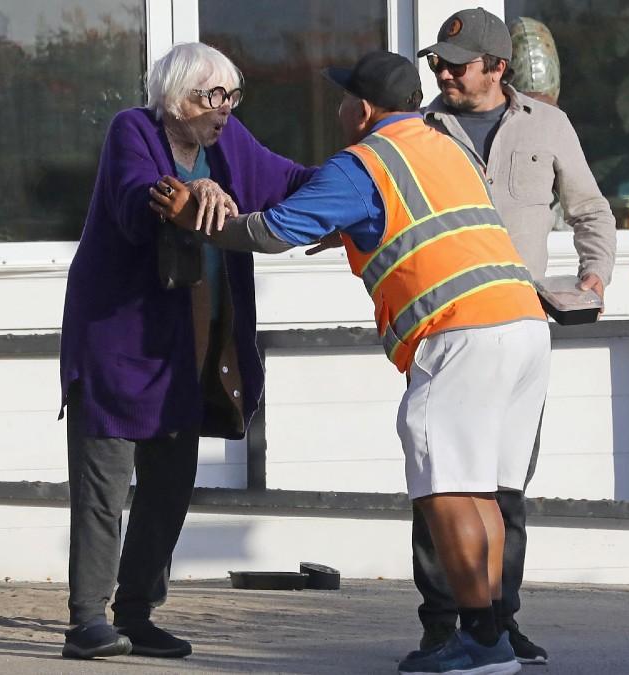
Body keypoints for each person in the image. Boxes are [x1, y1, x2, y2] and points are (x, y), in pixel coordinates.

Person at [152, 49, 548, 675]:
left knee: (447, 488)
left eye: (342, 99)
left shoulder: (365, 161)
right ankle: (493, 632)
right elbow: (420, 220)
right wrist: (352, 228)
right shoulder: (444, 147)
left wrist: (195, 222)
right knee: (483, 491)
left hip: (460, 331)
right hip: (522, 322)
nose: (338, 109)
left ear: (362, 109)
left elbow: (268, 231)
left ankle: (480, 643)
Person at [57, 42, 314, 660]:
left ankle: (137, 613)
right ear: (175, 100)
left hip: (187, 348)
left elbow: (287, 180)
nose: (224, 109)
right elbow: (135, 202)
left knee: (169, 488)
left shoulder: (228, 143)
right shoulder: (133, 130)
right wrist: (193, 194)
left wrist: (358, 185)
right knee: (102, 491)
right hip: (117, 344)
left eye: (231, 96)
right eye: (212, 95)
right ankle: (86, 620)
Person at [413, 8, 618, 664]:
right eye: (437, 62)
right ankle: (441, 626)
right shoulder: (420, 130)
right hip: (445, 327)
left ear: (498, 67)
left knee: (505, 486)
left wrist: (593, 278)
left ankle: (500, 621)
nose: (443, 73)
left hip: (520, 326)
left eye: (457, 64)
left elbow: (590, 211)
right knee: (442, 484)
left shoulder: (548, 125)